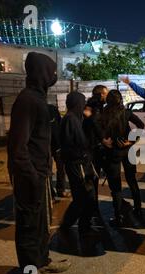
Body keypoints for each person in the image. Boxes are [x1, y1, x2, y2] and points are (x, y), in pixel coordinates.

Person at [7, 52, 70, 274]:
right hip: (28, 176)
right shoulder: (28, 101)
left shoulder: (38, 98)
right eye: (52, 72)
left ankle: (42, 262)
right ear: (42, 73)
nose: (54, 76)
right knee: (29, 228)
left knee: (42, 224)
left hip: (40, 174)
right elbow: (17, 148)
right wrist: (31, 177)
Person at [100, 90, 145, 227]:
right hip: (127, 150)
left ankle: (118, 216)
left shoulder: (103, 114)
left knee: (116, 187)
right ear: (120, 100)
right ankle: (138, 209)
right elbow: (141, 125)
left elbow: (99, 132)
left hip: (112, 152)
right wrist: (131, 141)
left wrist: (103, 141)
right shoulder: (126, 112)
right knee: (132, 181)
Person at [59, 92, 98, 236]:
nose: (84, 105)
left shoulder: (74, 118)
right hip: (78, 164)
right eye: (82, 102)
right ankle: (80, 226)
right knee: (86, 196)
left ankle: (75, 224)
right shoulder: (71, 120)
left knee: (83, 196)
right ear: (77, 103)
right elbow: (73, 143)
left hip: (79, 163)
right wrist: (84, 155)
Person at [48, 103, 69, 199]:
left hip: (57, 145)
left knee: (60, 169)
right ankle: (51, 192)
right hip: (46, 146)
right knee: (49, 170)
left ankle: (60, 190)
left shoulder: (52, 109)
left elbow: (59, 126)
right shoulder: (37, 110)